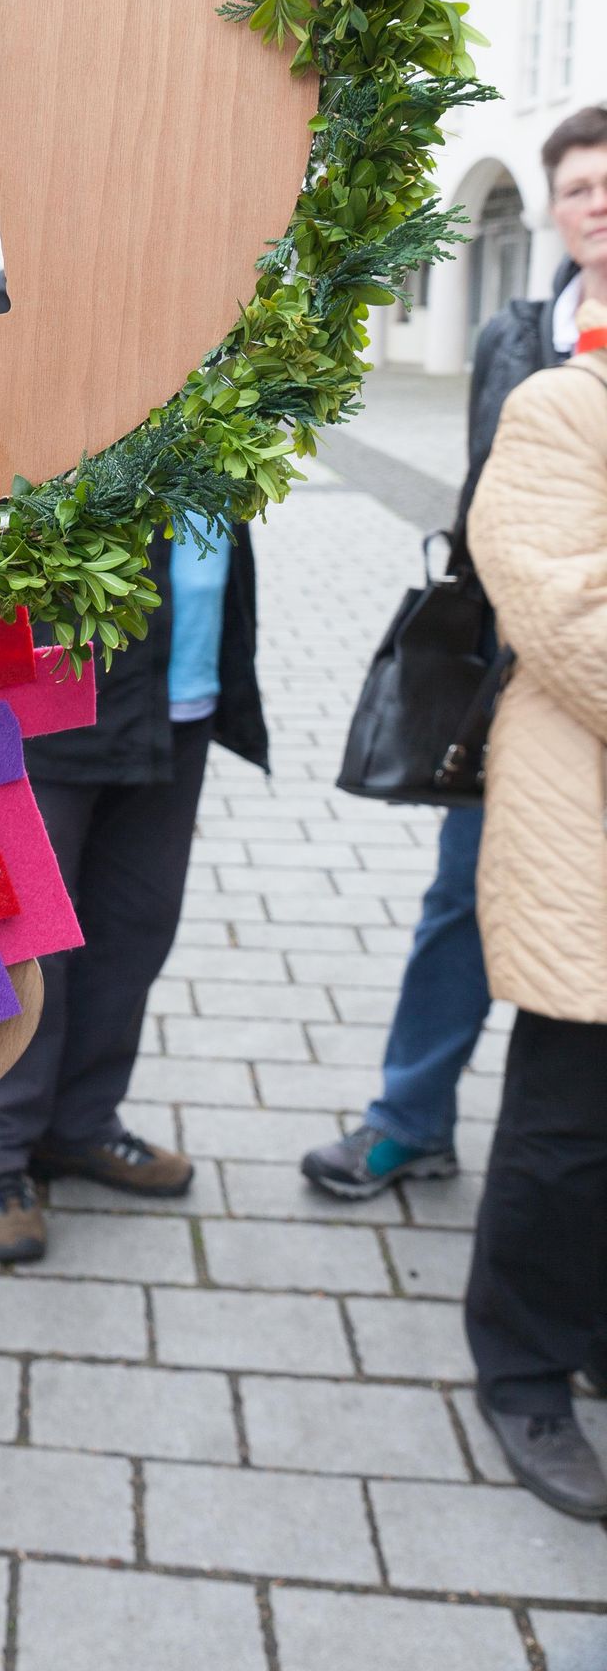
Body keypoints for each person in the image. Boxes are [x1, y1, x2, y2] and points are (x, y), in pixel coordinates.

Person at [301, 104, 607, 1201]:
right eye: (577, 189)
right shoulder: (513, 334)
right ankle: (409, 1120)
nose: (595, 206)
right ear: (551, 209)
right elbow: (490, 505)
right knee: (459, 902)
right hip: (514, 684)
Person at [0, 269, 268, 1264]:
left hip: (176, 700)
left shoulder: (211, 315)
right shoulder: (18, 299)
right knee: (25, 942)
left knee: (133, 929)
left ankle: (80, 1125)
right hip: (56, 703)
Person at [461, 298, 607, 1515]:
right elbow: (562, 611)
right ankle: (521, 1371)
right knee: (566, 1121)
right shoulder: (564, 405)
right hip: (585, 826)